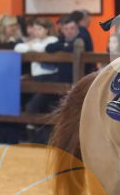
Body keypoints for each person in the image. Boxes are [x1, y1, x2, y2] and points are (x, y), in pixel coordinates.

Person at [24, 14, 85, 142]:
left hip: (64, 80)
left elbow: (69, 48)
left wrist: (65, 46)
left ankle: (43, 135)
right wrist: (64, 46)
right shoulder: (60, 40)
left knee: (41, 107)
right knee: (48, 108)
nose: (69, 31)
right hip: (52, 80)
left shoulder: (81, 37)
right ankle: (39, 136)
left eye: (72, 28)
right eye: (66, 29)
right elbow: (50, 48)